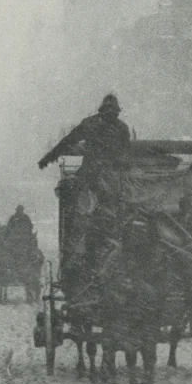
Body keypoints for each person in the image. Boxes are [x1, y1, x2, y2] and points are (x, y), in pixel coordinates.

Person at [37, 94, 131, 262]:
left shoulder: (91, 124)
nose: (112, 115)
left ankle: (78, 252)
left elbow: (67, 142)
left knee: (81, 214)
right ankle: (86, 249)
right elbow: (125, 154)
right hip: (104, 179)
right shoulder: (120, 128)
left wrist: (49, 158)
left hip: (95, 177)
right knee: (94, 214)